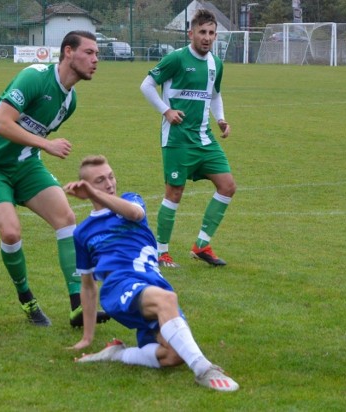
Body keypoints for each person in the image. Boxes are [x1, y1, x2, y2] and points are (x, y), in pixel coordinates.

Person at [0, 31, 109, 328]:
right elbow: (1, 124)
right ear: (68, 52)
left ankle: (77, 306)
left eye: (97, 54)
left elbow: (30, 139)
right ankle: (26, 298)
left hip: (26, 165)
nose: (96, 60)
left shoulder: (69, 102)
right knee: (10, 234)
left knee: (66, 218)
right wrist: (46, 144)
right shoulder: (34, 77)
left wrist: (38, 148)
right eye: (89, 52)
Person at [65, 155, 239, 392]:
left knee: (172, 355)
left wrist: (95, 194)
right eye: (99, 181)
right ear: (86, 186)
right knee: (167, 299)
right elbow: (87, 285)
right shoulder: (83, 232)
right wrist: (86, 337)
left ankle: (119, 354)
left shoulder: (130, 201)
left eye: (111, 176)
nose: (109, 184)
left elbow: (135, 214)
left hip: (154, 283)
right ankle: (204, 369)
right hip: (120, 285)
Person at [140, 9, 236, 268]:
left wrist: (221, 119)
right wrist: (166, 110)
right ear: (190, 33)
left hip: (204, 138)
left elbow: (214, 94)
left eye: (212, 33)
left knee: (227, 186)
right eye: (202, 32)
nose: (207, 38)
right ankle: (162, 252)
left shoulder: (217, 63)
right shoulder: (176, 59)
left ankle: (201, 245)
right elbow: (146, 85)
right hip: (177, 139)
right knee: (174, 192)